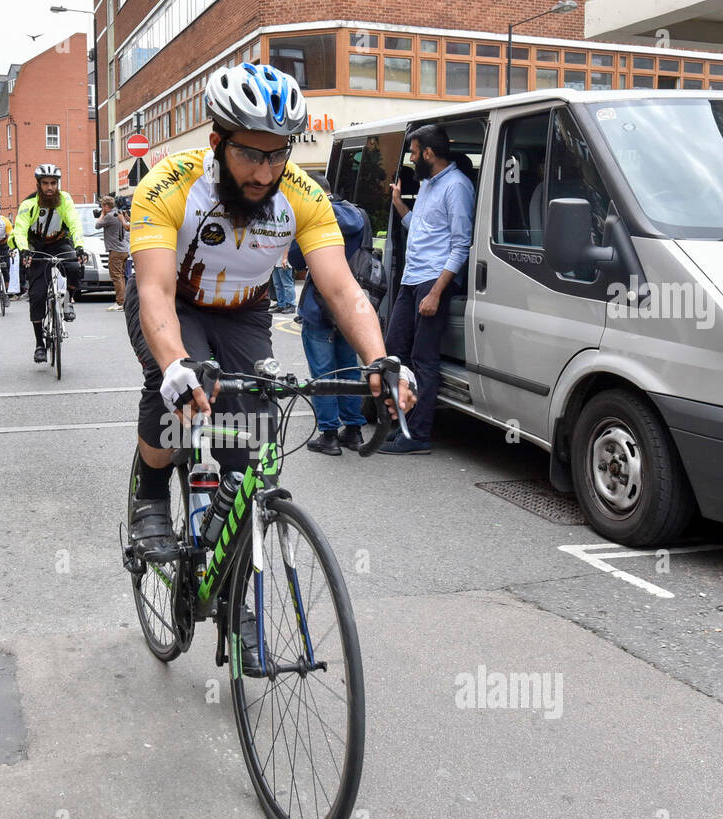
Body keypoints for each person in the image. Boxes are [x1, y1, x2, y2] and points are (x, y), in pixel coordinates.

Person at [125, 63, 416, 593]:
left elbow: (342, 289)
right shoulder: (169, 185)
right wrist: (173, 363)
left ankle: (233, 564)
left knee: (251, 436)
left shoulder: (302, 195)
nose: (264, 172)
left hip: (243, 309)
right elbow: (155, 293)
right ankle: (150, 490)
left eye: (277, 154)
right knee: (175, 392)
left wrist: (381, 360)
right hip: (177, 302)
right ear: (217, 142)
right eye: (249, 154)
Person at [381, 123, 474, 455]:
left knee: (424, 359)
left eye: (415, 152)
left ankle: (418, 434)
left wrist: (436, 292)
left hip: (433, 282)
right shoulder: (428, 184)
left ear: (429, 153)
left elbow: (460, 246)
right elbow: (422, 230)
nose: (412, 157)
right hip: (411, 278)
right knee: (393, 353)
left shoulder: (457, 187)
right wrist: (400, 206)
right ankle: (402, 424)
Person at [287, 174, 369, 455]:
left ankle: (329, 434)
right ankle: (354, 430)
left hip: (319, 304)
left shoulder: (312, 215)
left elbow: (297, 260)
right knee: (349, 369)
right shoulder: (359, 215)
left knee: (323, 372)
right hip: (351, 303)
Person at [12, 164, 85, 363]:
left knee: (74, 266)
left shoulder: (65, 200)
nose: (50, 187)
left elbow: (75, 223)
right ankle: (39, 345)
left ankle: (69, 300)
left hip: (59, 242)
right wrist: (24, 249)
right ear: (38, 184)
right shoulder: (29, 204)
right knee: (37, 296)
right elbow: (19, 230)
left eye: (53, 183)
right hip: (36, 246)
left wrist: (79, 246)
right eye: (45, 183)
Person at [96, 194, 130, 311]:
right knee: (121, 276)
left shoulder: (109, 216)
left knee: (116, 277)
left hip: (116, 251)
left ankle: (120, 302)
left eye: (102, 207)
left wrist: (102, 214)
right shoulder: (120, 213)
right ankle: (124, 301)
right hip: (124, 249)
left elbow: (97, 225)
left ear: (106, 206)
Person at [269, 244, 295, 314]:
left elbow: (288, 244)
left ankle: (291, 305)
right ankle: (281, 305)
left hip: (283, 261)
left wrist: (285, 258)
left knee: (287, 285)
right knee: (277, 285)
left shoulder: (283, 233)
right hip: (275, 262)